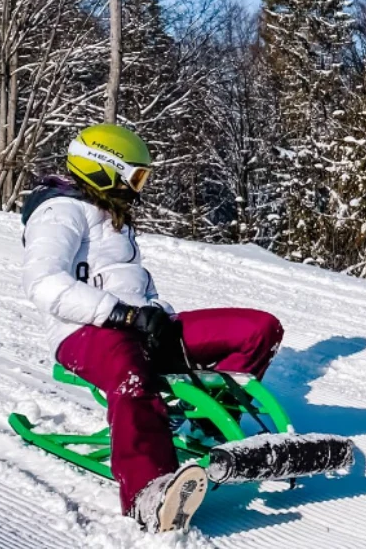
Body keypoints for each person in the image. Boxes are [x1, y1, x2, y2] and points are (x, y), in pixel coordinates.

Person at [20, 124, 284, 533]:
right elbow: (43, 284)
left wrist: (157, 312)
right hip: (83, 332)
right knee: (130, 373)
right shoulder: (59, 212)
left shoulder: (114, 217)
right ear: (104, 169)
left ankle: (211, 427)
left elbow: (137, 284)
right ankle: (148, 492)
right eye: (135, 176)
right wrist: (121, 315)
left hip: (139, 326)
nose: (139, 187)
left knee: (258, 329)